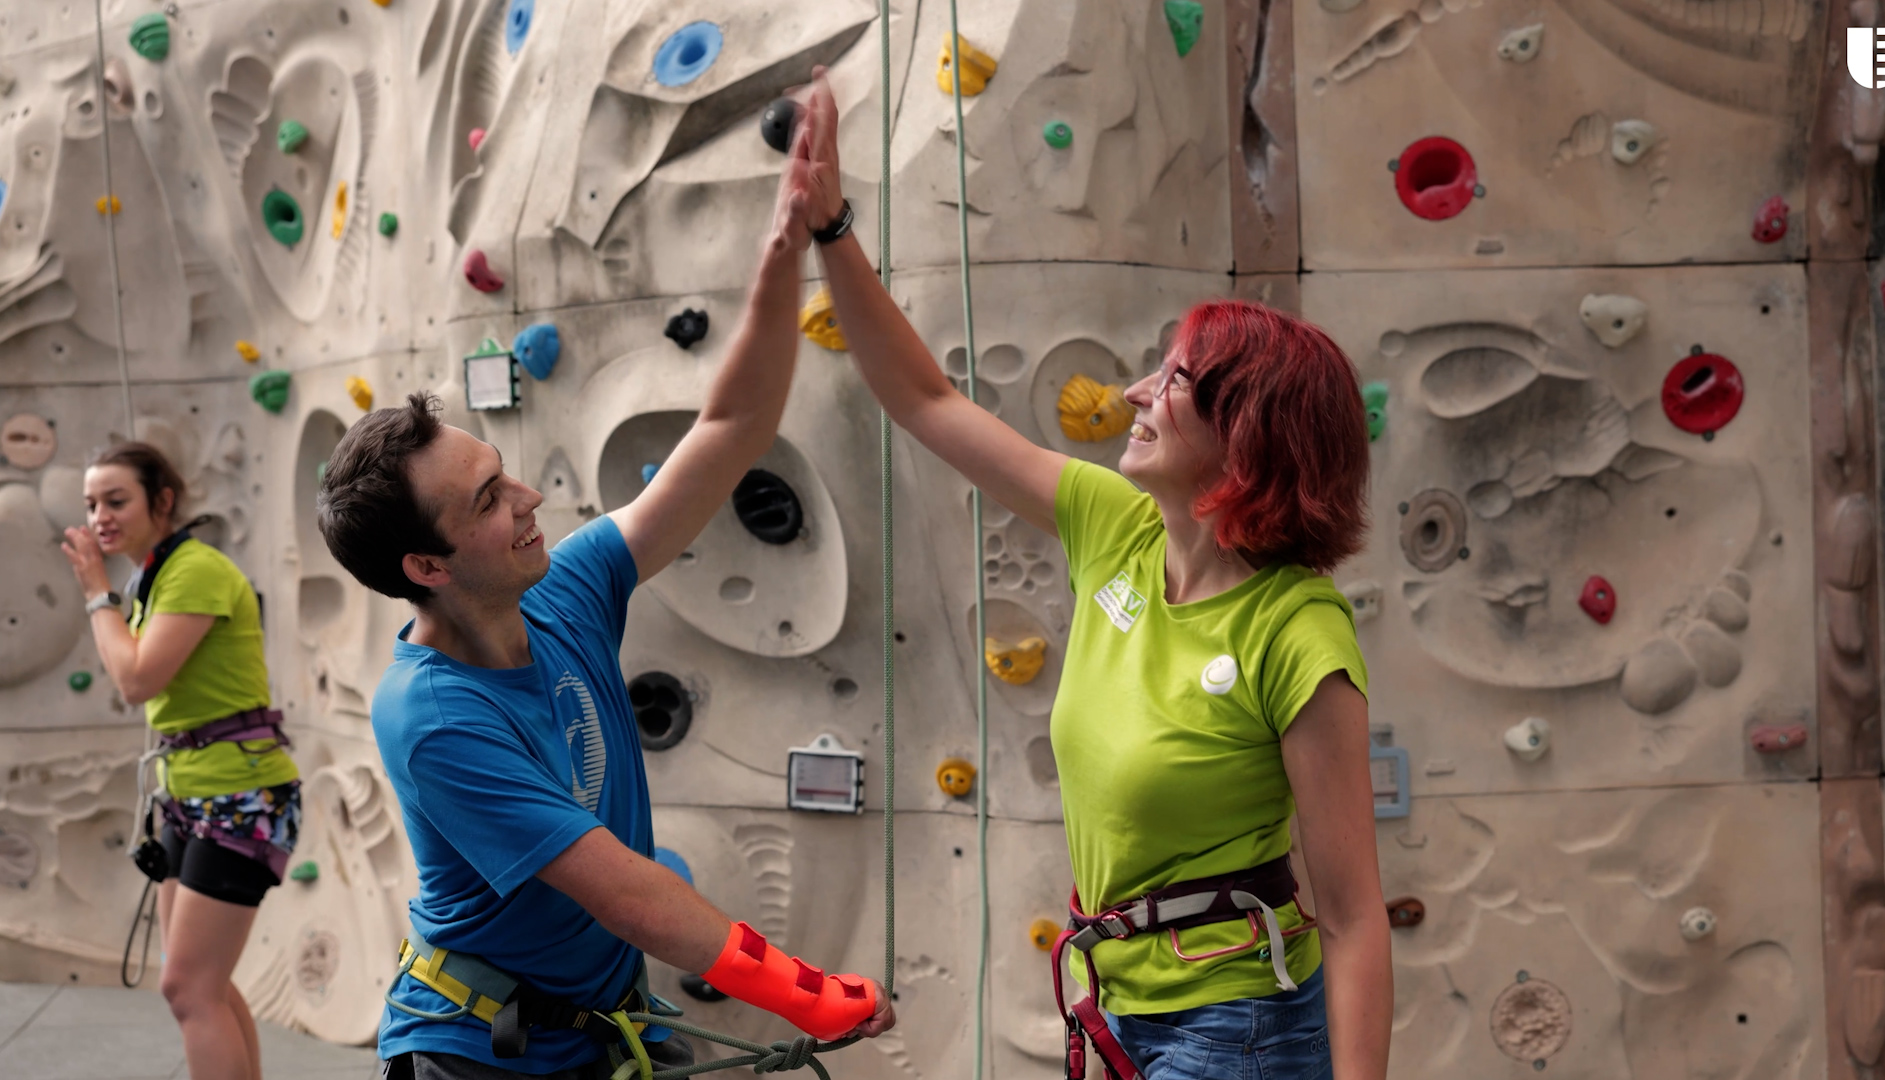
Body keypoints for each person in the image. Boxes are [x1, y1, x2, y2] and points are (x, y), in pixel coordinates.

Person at [793, 69, 1392, 1079]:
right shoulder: (1117, 528)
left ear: (1245, 435)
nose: (1133, 391)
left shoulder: (1298, 632)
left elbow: (1354, 916)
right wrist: (833, 228)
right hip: (1114, 1003)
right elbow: (925, 400)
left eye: (1173, 379)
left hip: (1238, 1024)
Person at [316, 79, 892, 1080]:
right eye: (490, 499)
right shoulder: (434, 718)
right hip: (478, 1052)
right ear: (426, 567)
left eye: (505, 472)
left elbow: (726, 434)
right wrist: (804, 994)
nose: (531, 496)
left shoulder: (567, 587)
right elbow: (626, 895)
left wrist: (782, 254)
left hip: (591, 1026)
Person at [61, 442, 297, 1080]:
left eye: (116, 500)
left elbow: (137, 678)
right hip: (190, 793)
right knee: (201, 986)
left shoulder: (192, 569)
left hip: (239, 794)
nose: (100, 516)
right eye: (91, 504)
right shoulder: (157, 575)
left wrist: (94, 595)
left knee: (190, 989)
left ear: (162, 502)